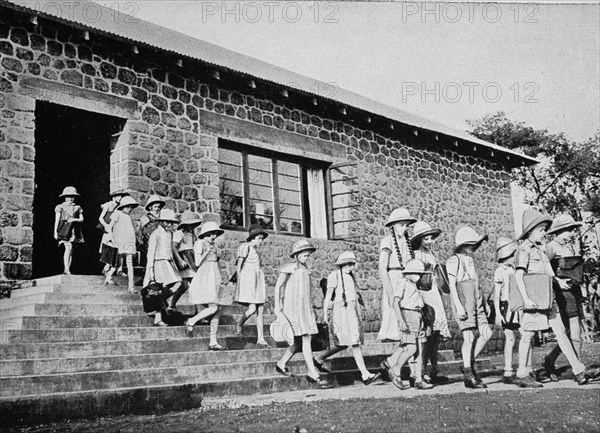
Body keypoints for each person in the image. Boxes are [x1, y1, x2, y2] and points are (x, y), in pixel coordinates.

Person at [513, 208, 597, 387]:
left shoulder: (541, 250)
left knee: (561, 333)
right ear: (531, 230)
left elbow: (550, 275)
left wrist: (559, 282)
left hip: (548, 298)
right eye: (542, 230)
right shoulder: (524, 250)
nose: (544, 233)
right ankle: (521, 373)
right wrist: (526, 299)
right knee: (527, 334)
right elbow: (519, 276)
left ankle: (578, 370)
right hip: (533, 300)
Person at [541, 214, 597, 382]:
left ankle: (550, 360)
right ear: (559, 231)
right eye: (569, 230)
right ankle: (578, 370)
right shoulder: (551, 247)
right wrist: (558, 281)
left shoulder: (570, 247)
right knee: (574, 332)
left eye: (573, 230)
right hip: (562, 295)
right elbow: (544, 271)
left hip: (575, 292)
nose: (572, 233)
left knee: (570, 333)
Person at [314, 251, 381, 385]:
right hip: (341, 312)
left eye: (352, 264)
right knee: (351, 342)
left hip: (351, 311)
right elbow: (328, 296)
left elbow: (354, 296)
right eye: (350, 264)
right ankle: (365, 374)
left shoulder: (351, 277)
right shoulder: (335, 276)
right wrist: (325, 314)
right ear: (344, 264)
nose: (352, 267)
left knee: (345, 344)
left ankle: (320, 357)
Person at [274, 240, 332, 388]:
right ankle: (313, 373)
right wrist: (277, 304)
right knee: (305, 338)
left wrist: (311, 311)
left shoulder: (307, 271)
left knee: (299, 341)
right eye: (304, 255)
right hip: (293, 308)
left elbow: (308, 292)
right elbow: (278, 286)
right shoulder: (289, 269)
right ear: (297, 255)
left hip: (304, 308)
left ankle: (281, 364)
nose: (306, 258)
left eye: (308, 255)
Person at [446, 226, 491, 389]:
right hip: (463, 299)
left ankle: (468, 364)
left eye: (474, 244)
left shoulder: (471, 260)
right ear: (461, 245)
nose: (472, 247)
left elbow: (476, 283)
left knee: (487, 333)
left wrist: (484, 302)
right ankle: (469, 375)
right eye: (469, 244)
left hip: (476, 298)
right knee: (469, 337)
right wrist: (459, 306)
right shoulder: (454, 260)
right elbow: (452, 286)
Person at [377, 207, 417, 387]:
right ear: (392, 226)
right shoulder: (387, 241)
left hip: (407, 284)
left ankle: (395, 365)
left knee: (408, 329)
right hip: (394, 282)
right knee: (400, 326)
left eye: (406, 225)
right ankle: (396, 367)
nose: (404, 229)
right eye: (401, 225)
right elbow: (382, 268)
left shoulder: (407, 243)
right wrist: (389, 291)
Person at [410, 221, 451, 385]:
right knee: (424, 334)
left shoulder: (432, 255)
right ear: (419, 239)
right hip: (423, 293)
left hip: (433, 292)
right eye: (425, 239)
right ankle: (420, 371)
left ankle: (434, 368)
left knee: (435, 335)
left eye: (430, 238)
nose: (429, 242)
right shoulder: (415, 255)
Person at [390, 259, 434, 390]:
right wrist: (401, 320)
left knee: (420, 349)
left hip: (418, 315)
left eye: (420, 274)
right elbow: (396, 302)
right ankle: (395, 370)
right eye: (416, 273)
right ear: (409, 273)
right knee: (411, 348)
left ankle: (418, 379)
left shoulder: (415, 285)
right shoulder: (403, 282)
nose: (419, 276)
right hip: (408, 314)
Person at [185, 221, 226, 351]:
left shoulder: (213, 245)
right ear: (205, 234)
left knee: (217, 309)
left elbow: (217, 259)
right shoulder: (199, 243)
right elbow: (197, 263)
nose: (213, 237)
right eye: (210, 234)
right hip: (205, 274)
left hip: (215, 273)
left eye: (215, 234)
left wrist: (217, 252)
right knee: (213, 306)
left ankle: (213, 340)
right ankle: (192, 320)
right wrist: (206, 251)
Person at [143, 208, 182, 327]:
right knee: (160, 288)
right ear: (161, 221)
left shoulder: (169, 233)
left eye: (171, 222)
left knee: (178, 283)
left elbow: (169, 250)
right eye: (166, 222)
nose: (169, 224)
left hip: (168, 263)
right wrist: (150, 270)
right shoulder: (156, 233)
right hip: (158, 263)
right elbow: (151, 252)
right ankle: (158, 318)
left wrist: (173, 264)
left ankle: (160, 303)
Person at [234, 224, 270, 348]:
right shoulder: (245, 247)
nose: (261, 241)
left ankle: (261, 339)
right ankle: (239, 323)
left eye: (262, 239)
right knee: (252, 309)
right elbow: (239, 265)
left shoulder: (256, 250)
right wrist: (239, 282)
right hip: (248, 280)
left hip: (258, 280)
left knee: (260, 310)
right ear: (253, 237)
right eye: (259, 238)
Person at [493, 237, 520, 384]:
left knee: (520, 337)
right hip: (506, 307)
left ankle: (524, 368)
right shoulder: (500, 271)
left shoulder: (515, 269)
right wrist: (498, 313)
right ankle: (508, 370)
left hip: (518, 306)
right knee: (510, 338)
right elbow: (497, 294)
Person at [169, 210, 202, 312]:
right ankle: (172, 304)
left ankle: (198, 310)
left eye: (193, 225)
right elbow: (173, 247)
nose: (192, 227)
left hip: (192, 259)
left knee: (195, 285)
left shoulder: (193, 234)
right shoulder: (179, 233)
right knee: (183, 286)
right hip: (184, 258)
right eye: (190, 224)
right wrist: (179, 260)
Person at [105, 196, 139, 292]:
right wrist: (111, 238)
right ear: (122, 207)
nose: (129, 209)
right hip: (120, 241)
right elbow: (109, 227)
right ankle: (108, 276)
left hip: (129, 242)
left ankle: (131, 286)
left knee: (129, 263)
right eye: (127, 207)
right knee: (117, 263)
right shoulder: (117, 214)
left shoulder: (128, 217)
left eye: (131, 207)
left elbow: (130, 231)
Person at [99, 189, 129, 279]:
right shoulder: (108, 205)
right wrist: (106, 226)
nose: (120, 198)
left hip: (118, 230)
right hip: (109, 229)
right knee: (110, 248)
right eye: (118, 196)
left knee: (120, 248)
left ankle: (119, 269)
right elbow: (101, 218)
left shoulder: (122, 207)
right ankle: (107, 268)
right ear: (114, 197)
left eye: (121, 196)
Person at [54, 186, 84, 275]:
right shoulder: (60, 207)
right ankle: (66, 268)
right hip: (64, 229)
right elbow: (57, 220)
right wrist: (55, 232)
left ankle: (67, 269)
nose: (70, 199)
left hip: (73, 230)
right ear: (65, 197)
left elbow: (82, 219)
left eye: (72, 196)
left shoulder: (77, 207)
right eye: (68, 196)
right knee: (68, 247)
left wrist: (74, 219)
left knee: (71, 250)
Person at [139, 195, 165, 266]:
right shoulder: (146, 217)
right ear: (151, 207)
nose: (157, 209)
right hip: (149, 240)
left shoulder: (162, 217)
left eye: (158, 207)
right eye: (155, 207)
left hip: (160, 239)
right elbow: (141, 230)